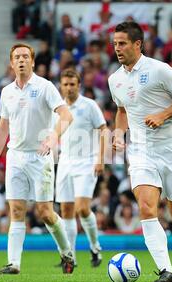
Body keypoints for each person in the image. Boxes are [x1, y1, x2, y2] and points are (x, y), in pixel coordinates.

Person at [108, 21, 172, 282]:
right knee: (146, 205)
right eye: (115, 43)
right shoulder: (114, 79)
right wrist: (119, 134)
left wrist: (163, 115)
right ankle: (167, 271)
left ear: (137, 44)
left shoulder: (159, 70)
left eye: (122, 43)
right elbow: (121, 111)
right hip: (141, 151)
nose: (117, 48)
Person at [0, 43, 75, 275]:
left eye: (26, 56)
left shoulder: (45, 87)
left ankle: (67, 253)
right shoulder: (7, 92)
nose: (22, 60)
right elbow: (3, 127)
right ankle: (13, 263)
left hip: (40, 157)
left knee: (45, 213)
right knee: (16, 210)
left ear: (33, 62)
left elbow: (66, 114)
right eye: (17, 57)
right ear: (11, 63)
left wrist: (53, 137)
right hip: (15, 156)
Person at [55, 68, 107, 267]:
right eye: (65, 84)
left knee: (82, 208)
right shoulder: (58, 109)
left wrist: (101, 159)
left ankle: (95, 246)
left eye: (72, 84)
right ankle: (71, 258)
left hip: (87, 162)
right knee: (66, 211)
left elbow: (104, 130)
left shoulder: (89, 105)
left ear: (79, 85)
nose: (68, 88)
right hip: (65, 162)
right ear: (61, 86)